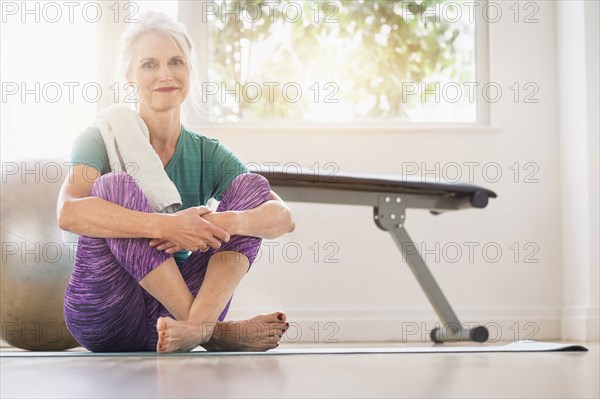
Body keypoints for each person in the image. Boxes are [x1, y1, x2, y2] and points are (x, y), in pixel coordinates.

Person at [57, 12, 295, 353]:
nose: (165, 74)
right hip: (104, 312)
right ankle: (213, 333)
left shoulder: (207, 154)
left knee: (252, 189)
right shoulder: (98, 138)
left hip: (171, 315)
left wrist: (226, 221)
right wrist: (167, 227)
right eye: (150, 64)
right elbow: (68, 213)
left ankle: (195, 327)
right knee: (115, 187)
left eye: (175, 62)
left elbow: (282, 218)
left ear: (190, 70)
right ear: (130, 75)